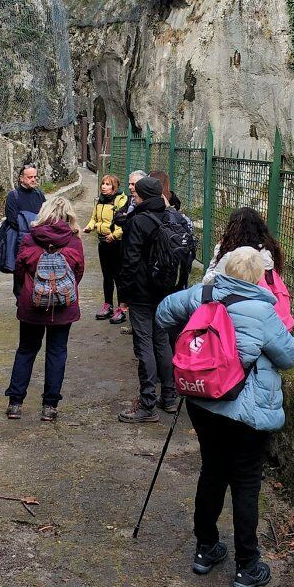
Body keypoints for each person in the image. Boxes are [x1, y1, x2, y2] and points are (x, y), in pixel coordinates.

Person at [155, 246, 294, 587]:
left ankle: (205, 550)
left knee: (212, 471)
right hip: (246, 411)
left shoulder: (202, 295)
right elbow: (290, 355)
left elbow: (162, 314)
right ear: (256, 276)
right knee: (246, 483)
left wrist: (192, 344)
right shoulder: (263, 312)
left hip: (203, 403)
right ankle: (247, 566)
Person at [5, 196, 85, 422]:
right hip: (63, 306)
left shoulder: (31, 238)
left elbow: (19, 269)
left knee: (26, 350)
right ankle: (50, 406)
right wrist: (62, 291)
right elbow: (78, 272)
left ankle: (15, 403)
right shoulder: (74, 240)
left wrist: (27, 291)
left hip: (33, 304)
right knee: (57, 352)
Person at [116, 174, 179, 422]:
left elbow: (130, 260)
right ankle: (170, 398)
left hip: (142, 293)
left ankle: (147, 403)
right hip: (165, 290)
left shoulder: (138, 221)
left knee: (144, 346)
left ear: (141, 195)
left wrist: (124, 292)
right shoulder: (171, 217)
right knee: (162, 343)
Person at [84, 174, 127, 321]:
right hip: (103, 242)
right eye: (103, 183)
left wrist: (114, 235)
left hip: (116, 243)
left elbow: (124, 222)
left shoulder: (121, 201)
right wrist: (89, 227)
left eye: (108, 184)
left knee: (118, 276)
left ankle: (121, 308)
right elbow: (94, 218)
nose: (103, 186)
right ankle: (107, 305)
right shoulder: (100, 201)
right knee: (106, 275)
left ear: (114, 187)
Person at [110, 169, 146, 328]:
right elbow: (118, 216)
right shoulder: (130, 200)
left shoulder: (144, 204)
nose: (130, 187)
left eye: (134, 184)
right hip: (125, 246)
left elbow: (126, 219)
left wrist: (127, 219)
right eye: (130, 183)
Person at [5, 162, 46, 230]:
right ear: (21, 178)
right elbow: (12, 221)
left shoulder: (39, 195)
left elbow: (46, 215)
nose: (33, 180)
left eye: (35, 177)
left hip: (39, 233)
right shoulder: (13, 196)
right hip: (21, 236)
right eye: (30, 177)